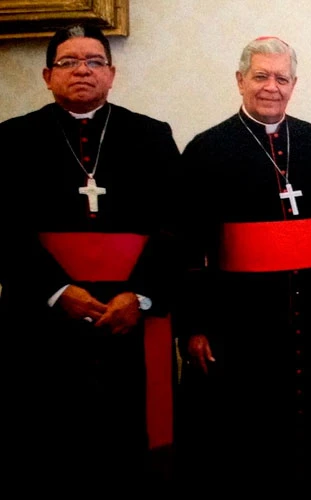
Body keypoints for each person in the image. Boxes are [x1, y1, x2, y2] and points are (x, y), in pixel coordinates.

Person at [174, 36, 311, 492]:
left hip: (310, 307)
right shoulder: (207, 148)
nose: (271, 87)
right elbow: (187, 243)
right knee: (247, 427)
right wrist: (193, 324)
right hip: (240, 316)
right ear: (240, 81)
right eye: (260, 76)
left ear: (294, 84)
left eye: (281, 77)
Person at [0, 24, 180, 490]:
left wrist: (138, 296)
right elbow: (3, 229)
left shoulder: (152, 136)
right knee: (46, 444)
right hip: (44, 319)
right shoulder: (11, 139)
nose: (82, 70)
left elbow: (176, 225)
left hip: (131, 317)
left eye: (94, 61)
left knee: (131, 447)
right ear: (46, 75)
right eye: (68, 61)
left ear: (112, 73)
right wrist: (58, 291)